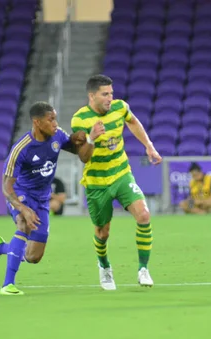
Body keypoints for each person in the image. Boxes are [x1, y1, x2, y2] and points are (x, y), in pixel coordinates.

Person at [0, 101, 100, 295]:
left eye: (55, 119)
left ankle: (0, 248)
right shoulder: (22, 148)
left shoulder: (57, 136)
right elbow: (6, 186)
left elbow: (79, 151)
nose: (55, 123)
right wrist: (23, 208)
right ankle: (7, 285)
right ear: (37, 122)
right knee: (24, 224)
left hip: (43, 198)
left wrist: (83, 139)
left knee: (33, 256)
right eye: (50, 119)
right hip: (21, 193)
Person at [71, 74, 162, 290]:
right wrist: (91, 138)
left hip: (121, 173)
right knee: (103, 232)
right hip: (97, 182)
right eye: (105, 94)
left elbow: (133, 121)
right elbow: (83, 156)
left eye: (111, 93)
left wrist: (148, 145)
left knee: (144, 215)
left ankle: (143, 269)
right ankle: (104, 266)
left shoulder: (120, 107)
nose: (110, 98)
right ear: (92, 96)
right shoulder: (80, 120)